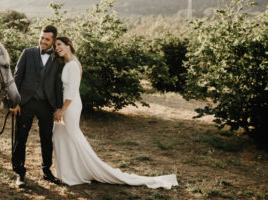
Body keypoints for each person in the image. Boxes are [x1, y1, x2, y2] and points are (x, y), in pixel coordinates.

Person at [52, 36, 178, 189]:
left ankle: (90, 169)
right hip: (71, 103)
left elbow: (71, 90)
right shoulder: (71, 62)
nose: (56, 48)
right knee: (65, 133)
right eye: (55, 46)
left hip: (70, 105)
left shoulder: (72, 65)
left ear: (68, 45)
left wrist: (62, 109)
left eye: (59, 44)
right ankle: (74, 170)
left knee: (73, 135)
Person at [10, 25, 64, 188]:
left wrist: (58, 107)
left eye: (47, 39)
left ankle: (47, 171)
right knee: (21, 138)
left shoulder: (58, 59)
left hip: (47, 104)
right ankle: (19, 172)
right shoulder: (28, 53)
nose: (43, 41)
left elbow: (58, 85)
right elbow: (17, 79)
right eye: (41, 37)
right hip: (26, 103)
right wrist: (14, 102)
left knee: (47, 138)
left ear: (54, 41)